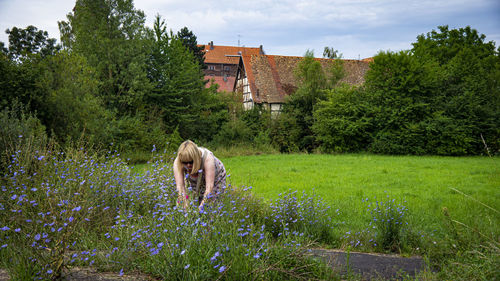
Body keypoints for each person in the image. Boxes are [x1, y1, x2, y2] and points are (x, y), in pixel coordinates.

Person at [173, 140, 227, 210]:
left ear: (196, 158)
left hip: (215, 178)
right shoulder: (177, 162)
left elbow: (209, 187)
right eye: (185, 163)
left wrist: (201, 208)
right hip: (196, 178)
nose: (188, 165)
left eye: (191, 162)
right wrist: (184, 206)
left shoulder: (207, 159)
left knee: (211, 205)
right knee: (195, 201)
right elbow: (180, 187)